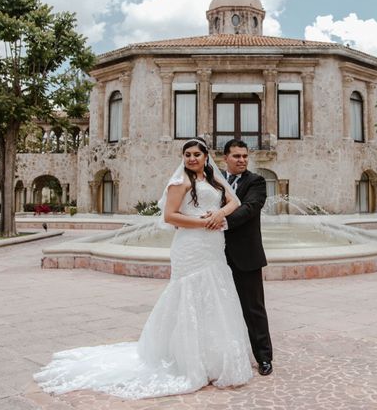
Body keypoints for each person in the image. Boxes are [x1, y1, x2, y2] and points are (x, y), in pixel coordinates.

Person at [33, 138, 254, 399]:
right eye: (187, 154)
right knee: (188, 296)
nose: (192, 158)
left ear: (207, 156)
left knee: (215, 296)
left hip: (213, 245)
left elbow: (234, 202)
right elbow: (170, 216)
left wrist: (219, 215)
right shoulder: (179, 182)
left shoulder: (215, 181)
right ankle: (186, 360)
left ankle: (215, 359)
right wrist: (201, 223)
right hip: (191, 245)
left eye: (196, 154)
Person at [208, 139, 273, 376]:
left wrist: (221, 221)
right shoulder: (213, 182)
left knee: (253, 308)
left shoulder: (256, 181)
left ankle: (264, 357)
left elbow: (250, 207)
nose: (242, 160)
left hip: (246, 255)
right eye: (236, 156)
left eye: (245, 156)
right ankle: (220, 356)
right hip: (214, 254)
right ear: (225, 158)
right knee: (216, 306)